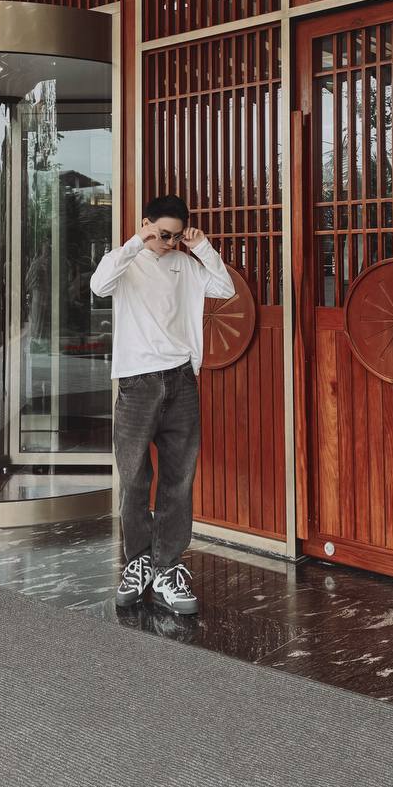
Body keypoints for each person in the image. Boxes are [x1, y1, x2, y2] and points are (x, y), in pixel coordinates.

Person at [90, 195, 234, 615]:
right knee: (134, 478)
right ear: (146, 224)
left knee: (178, 479)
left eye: (176, 236)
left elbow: (224, 288)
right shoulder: (126, 261)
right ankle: (138, 562)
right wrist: (138, 241)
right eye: (163, 234)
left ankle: (168, 567)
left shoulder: (186, 265)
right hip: (137, 383)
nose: (169, 243)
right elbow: (98, 285)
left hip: (181, 380)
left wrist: (200, 245)